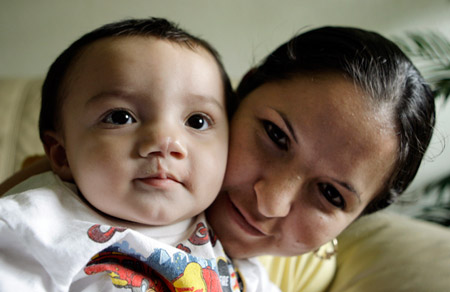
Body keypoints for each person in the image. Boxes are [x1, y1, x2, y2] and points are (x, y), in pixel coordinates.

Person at [0, 25, 435, 292]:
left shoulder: (245, 270)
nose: (270, 201)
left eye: (330, 195)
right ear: (235, 98)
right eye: (275, 135)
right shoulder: (48, 213)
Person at [0, 17, 251, 292]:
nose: (165, 142)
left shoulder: (229, 242)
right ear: (61, 154)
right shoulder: (33, 224)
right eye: (120, 117)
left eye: (197, 121)